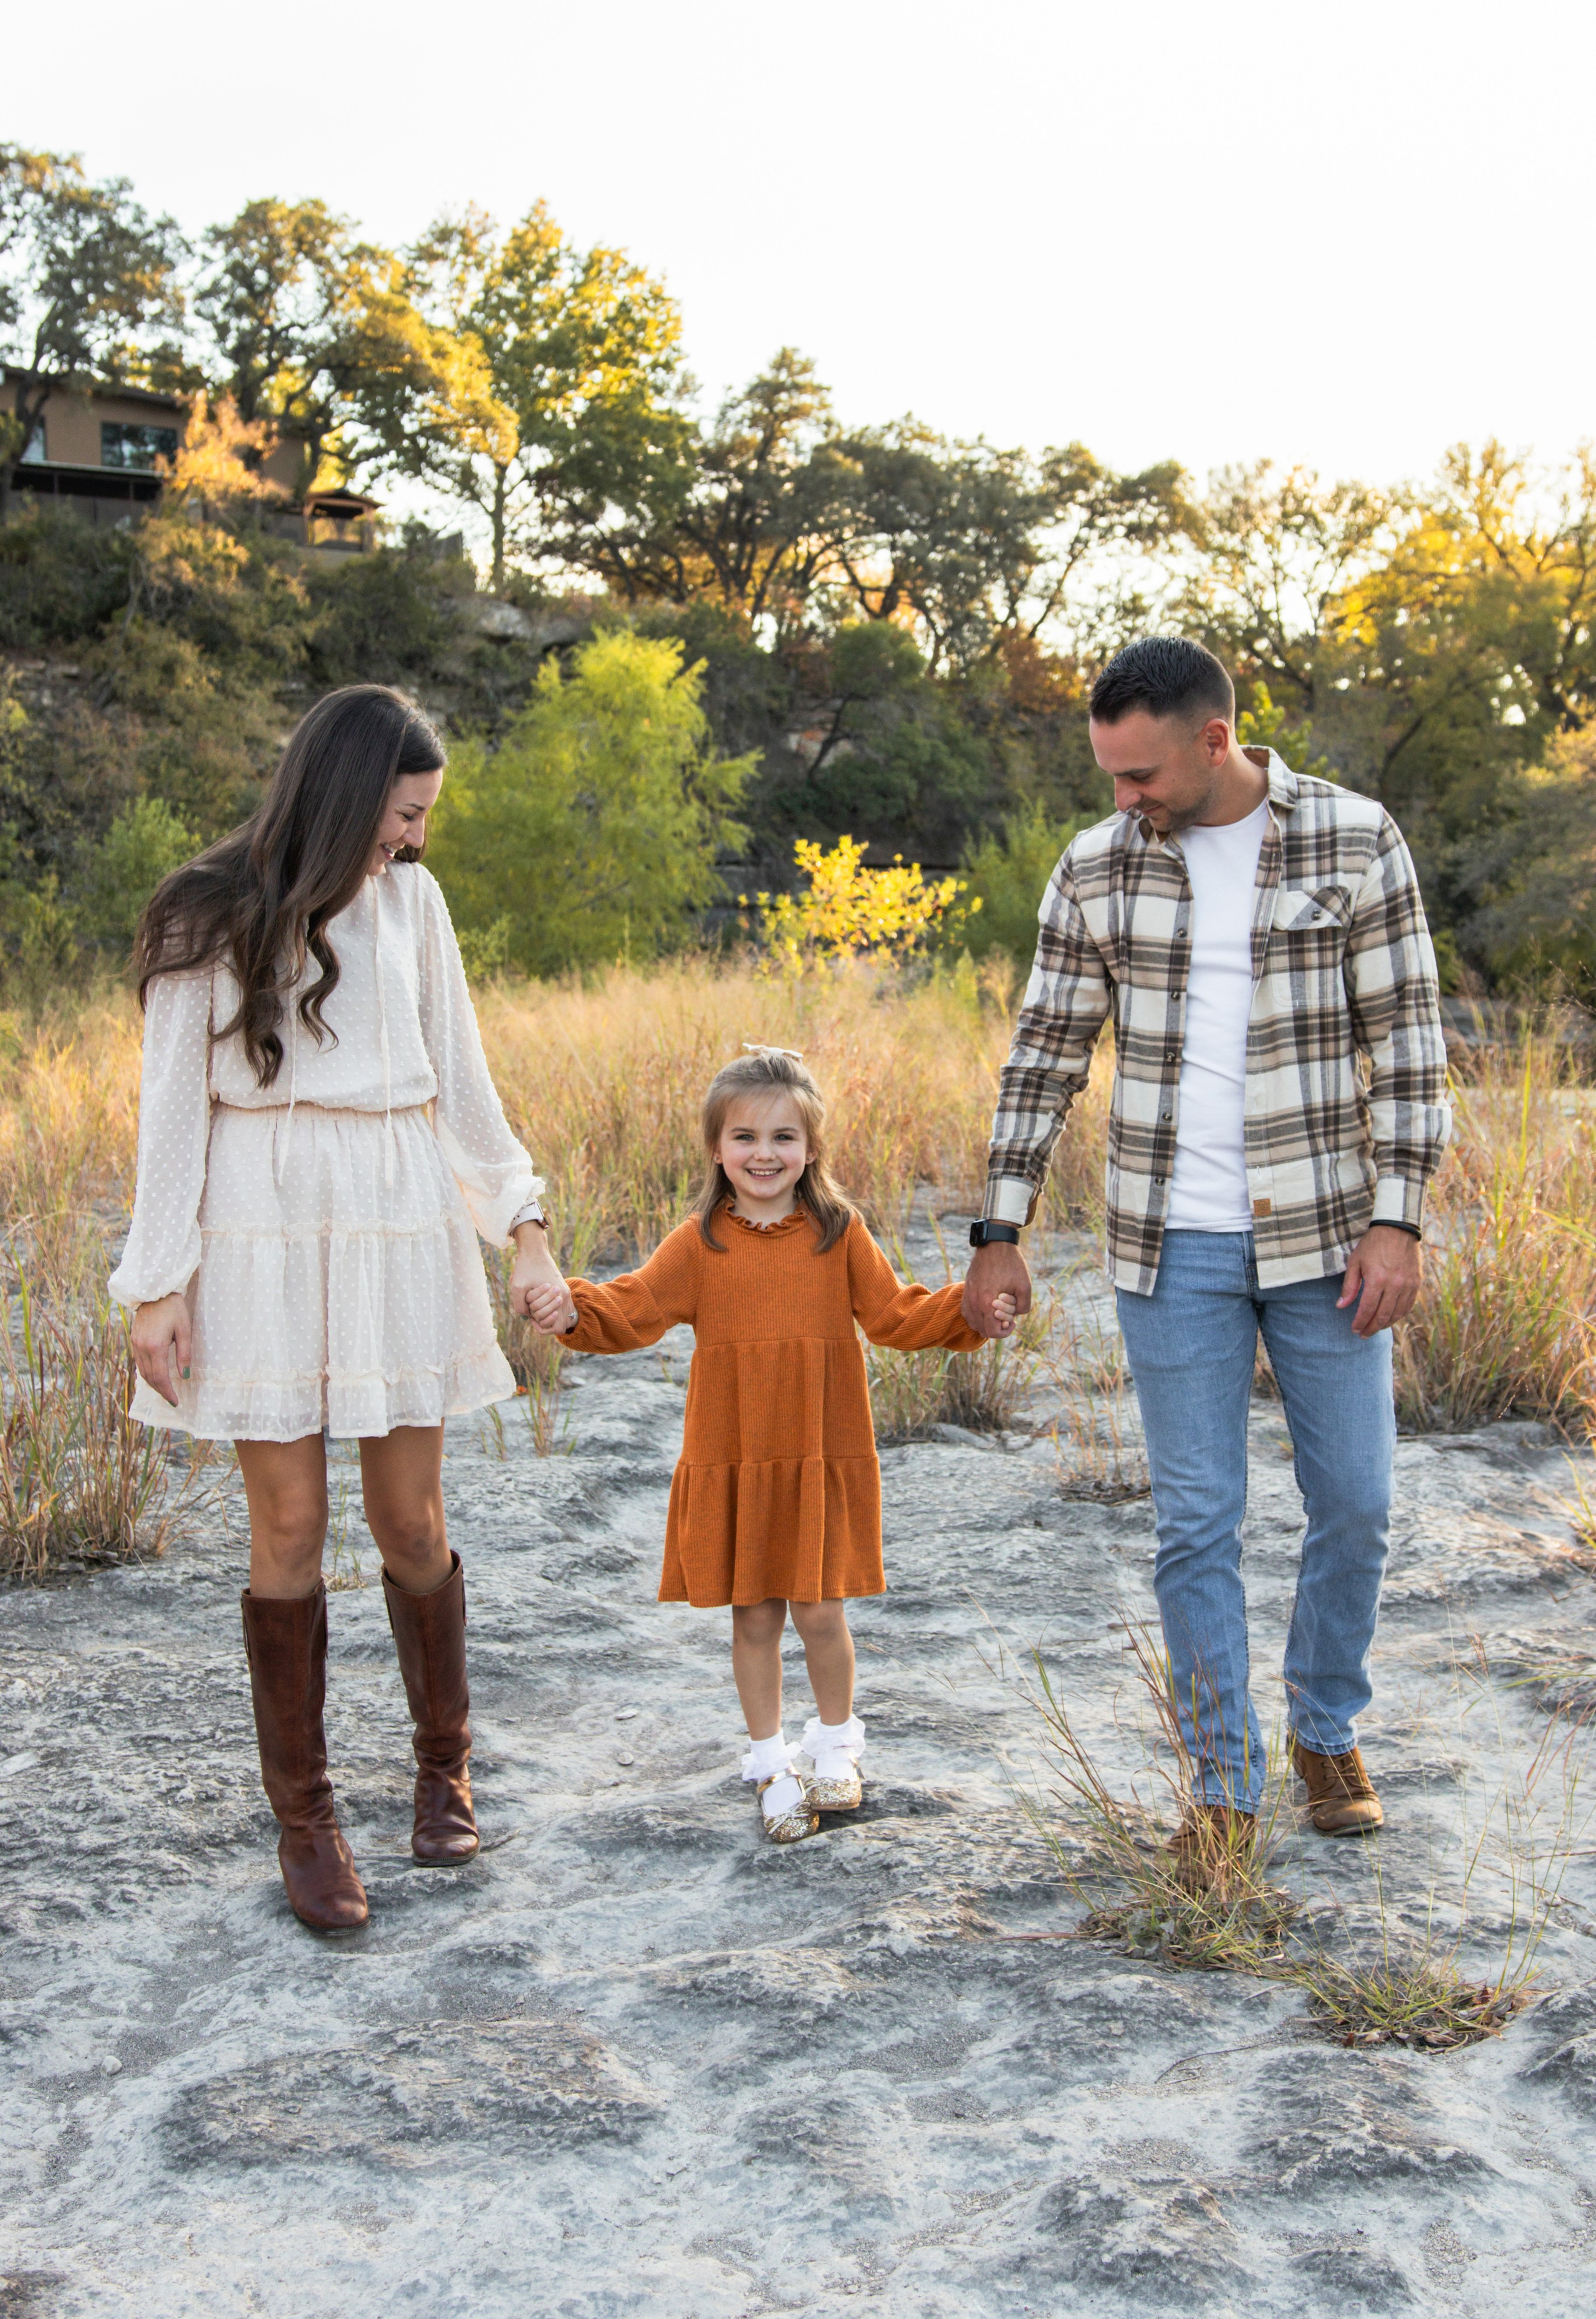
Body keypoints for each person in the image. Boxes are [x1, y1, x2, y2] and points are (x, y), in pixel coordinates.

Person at [962, 637, 1450, 1860]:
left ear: (1214, 741)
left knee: (1357, 1504)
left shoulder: (1353, 840)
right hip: (1168, 1245)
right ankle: (1222, 1789)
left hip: (1328, 1237)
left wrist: (1398, 1217)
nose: (1122, 798)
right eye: (1108, 776)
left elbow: (1407, 1041)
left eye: (1139, 775)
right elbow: (1043, 1054)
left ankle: (1324, 1726)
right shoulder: (1096, 866)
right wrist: (999, 1227)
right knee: (1196, 1524)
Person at [110, 684, 568, 1933]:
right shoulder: (203, 913)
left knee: (410, 1522)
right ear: (347, 793)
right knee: (291, 1525)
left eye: (422, 818)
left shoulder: (415, 903)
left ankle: (442, 1769)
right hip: (257, 1228)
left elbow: (463, 1085)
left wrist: (523, 1228)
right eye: (403, 814)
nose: (414, 838)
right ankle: (306, 1822)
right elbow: (169, 1118)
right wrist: (156, 1284)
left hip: (397, 1213)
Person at [526, 1048, 1012, 1841]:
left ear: (811, 1149)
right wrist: (571, 1309)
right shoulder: (699, 1243)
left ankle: (836, 1745)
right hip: (739, 1453)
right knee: (753, 1617)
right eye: (744, 1136)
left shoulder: (838, 1234)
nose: (763, 1153)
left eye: (783, 1137)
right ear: (716, 1149)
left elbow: (894, 1315)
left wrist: (970, 1310)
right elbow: (634, 1308)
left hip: (818, 1449)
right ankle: (768, 1760)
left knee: (820, 1610)